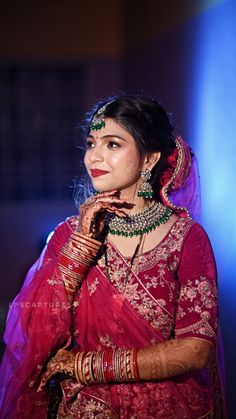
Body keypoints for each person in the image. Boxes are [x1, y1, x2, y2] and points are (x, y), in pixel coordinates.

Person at [0, 95, 226, 418]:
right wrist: (80, 247)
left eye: (113, 144)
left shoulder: (187, 240)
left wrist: (86, 365)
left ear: (149, 159)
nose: (94, 155)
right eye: (92, 142)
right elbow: (31, 334)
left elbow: (195, 350)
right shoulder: (69, 236)